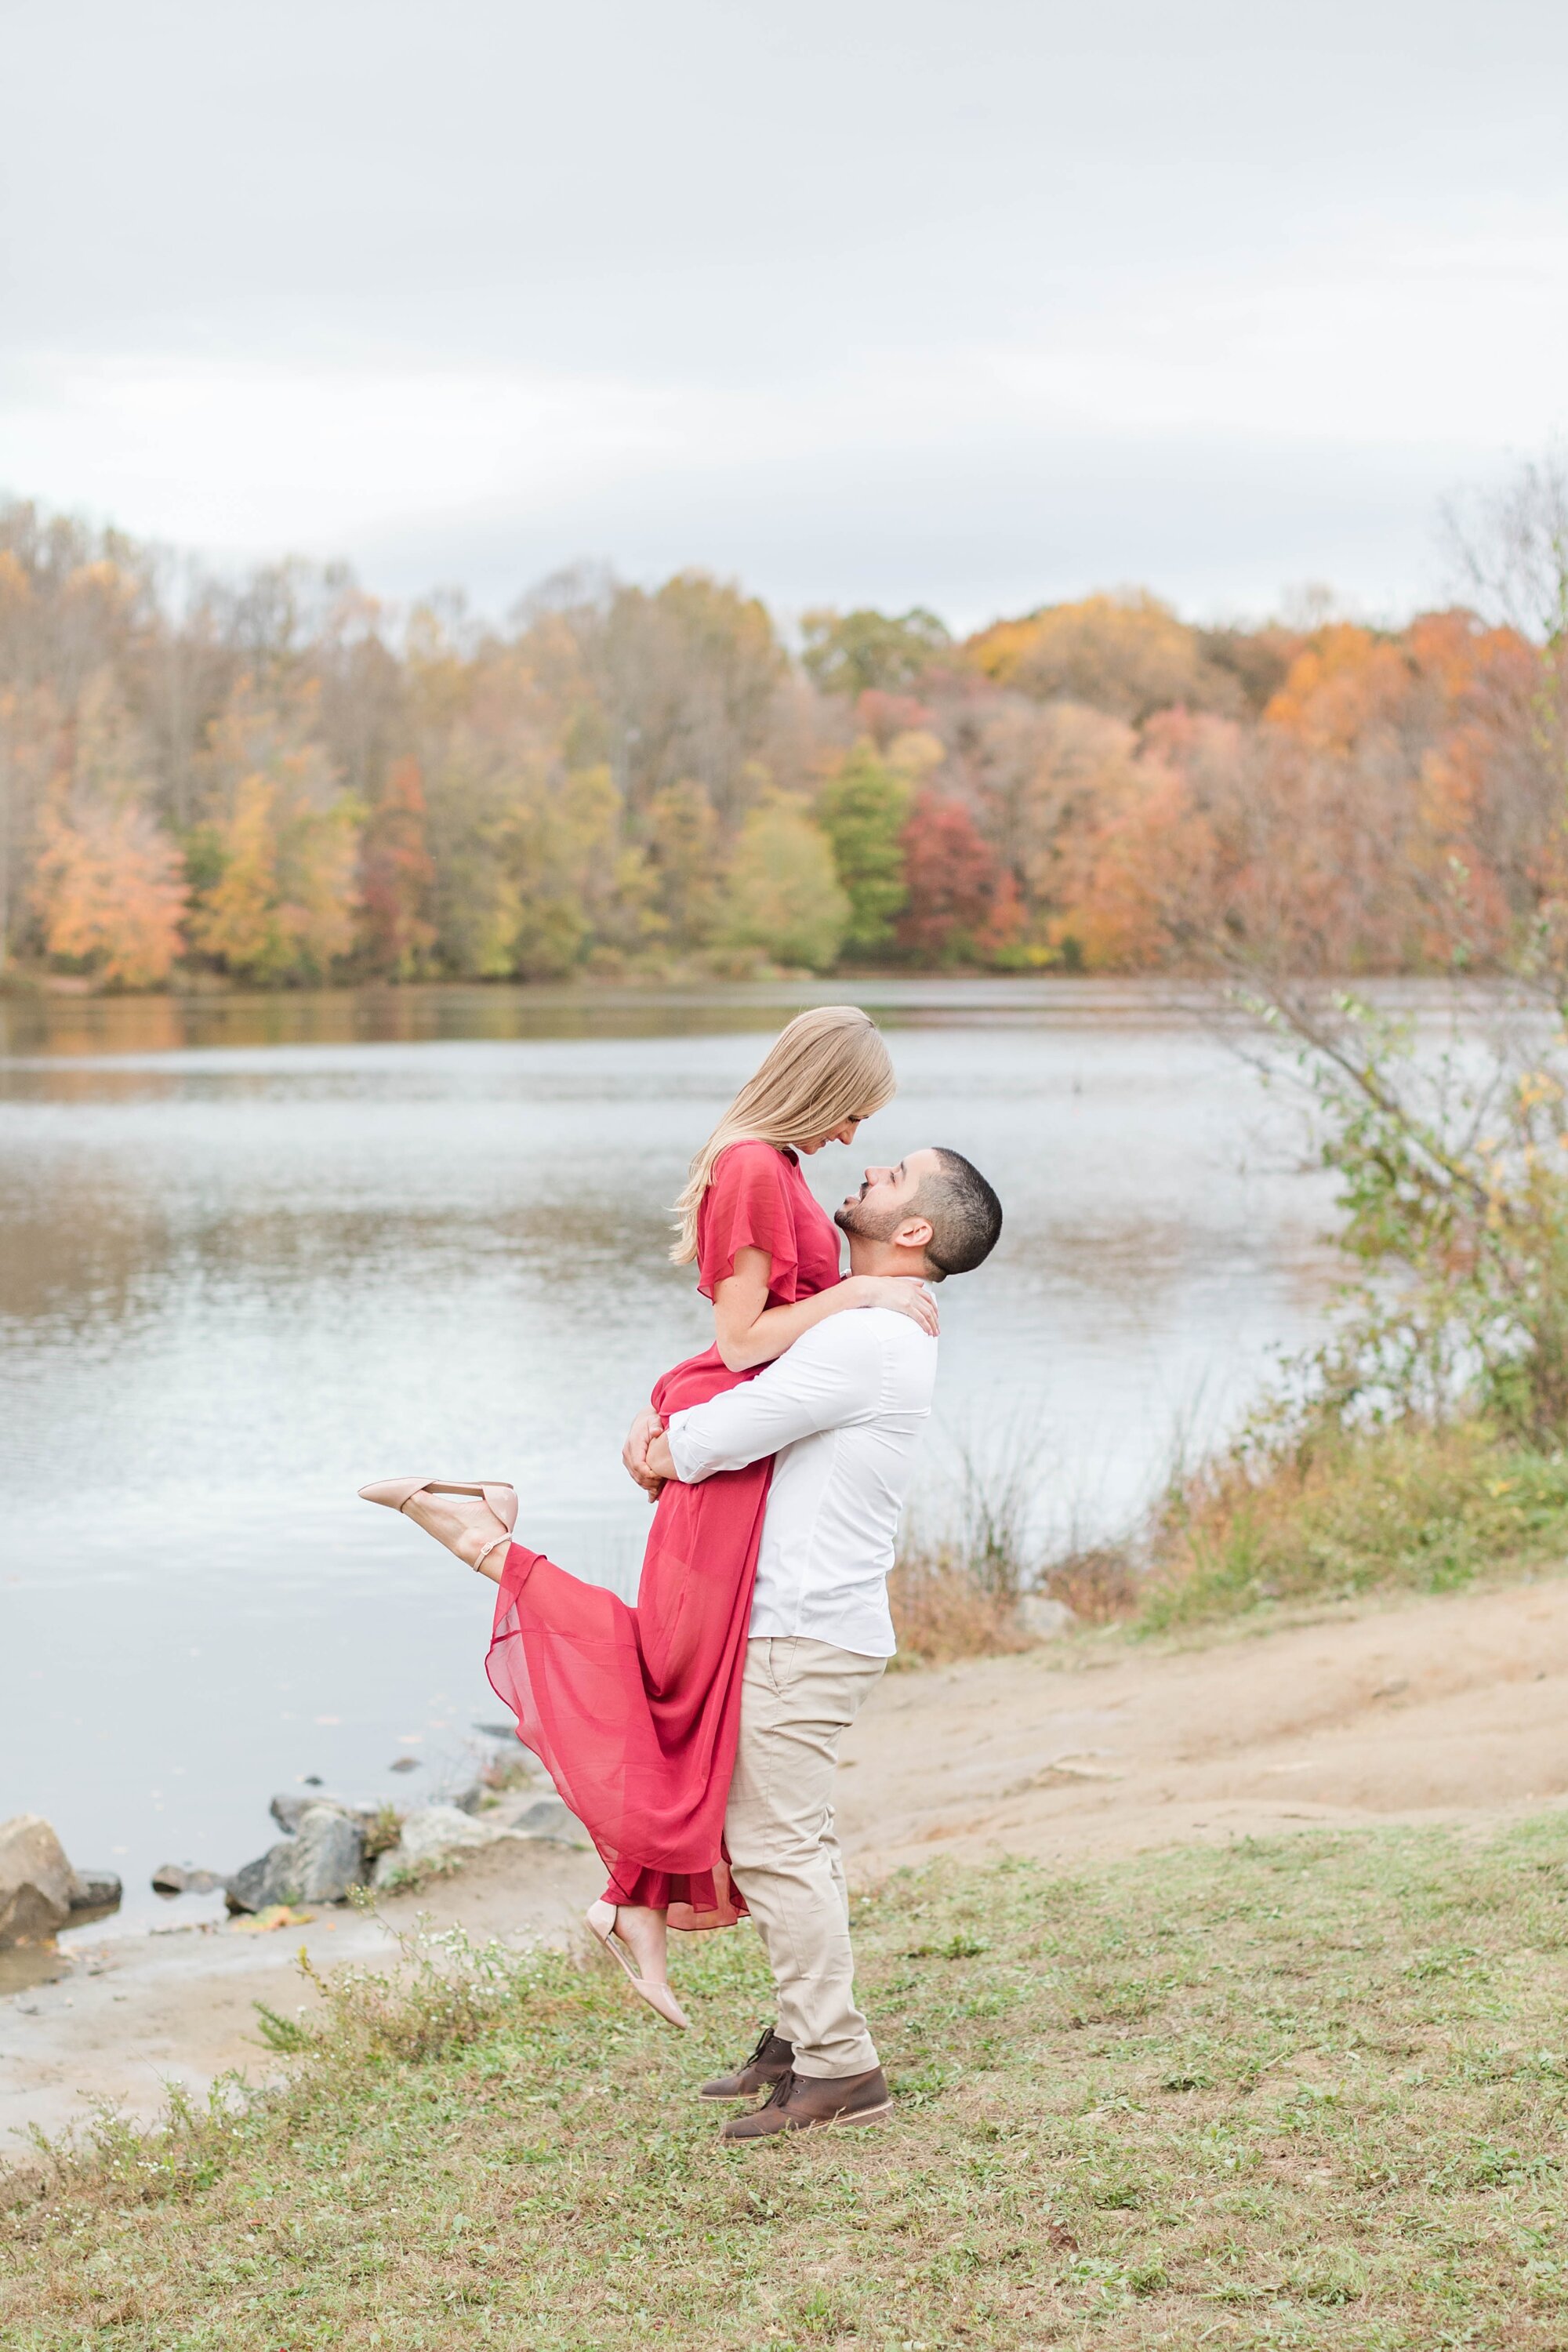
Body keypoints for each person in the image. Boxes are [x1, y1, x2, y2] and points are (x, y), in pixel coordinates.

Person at [359, 1006, 937, 2027]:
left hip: (732, 1458)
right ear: (818, 1087)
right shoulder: (753, 1166)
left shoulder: (780, 1169)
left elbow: (756, 1355)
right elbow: (747, 1340)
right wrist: (865, 1299)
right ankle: (480, 1532)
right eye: (853, 1114)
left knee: (684, 1695)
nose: (855, 1139)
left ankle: (632, 1903)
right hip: (722, 1461)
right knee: (666, 1675)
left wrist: (855, 1299)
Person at [632, 1145, 1004, 2137]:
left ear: (914, 1231)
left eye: (891, 1176)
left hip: (798, 1629)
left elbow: (728, 1430)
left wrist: (656, 1449)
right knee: (796, 1841)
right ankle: (803, 2037)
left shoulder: (870, 1339)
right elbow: (734, 1380)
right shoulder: (866, 1317)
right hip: (813, 1623)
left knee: (776, 1846)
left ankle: (840, 2069)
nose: (869, 1170)